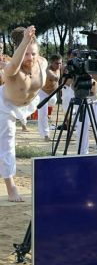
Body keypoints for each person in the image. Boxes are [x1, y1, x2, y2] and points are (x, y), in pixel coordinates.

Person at [0, 26, 48, 201]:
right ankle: (11, 187)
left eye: (33, 54)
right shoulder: (10, 68)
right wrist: (26, 40)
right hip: (5, 106)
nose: (30, 58)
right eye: (26, 54)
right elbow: (13, 66)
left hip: (29, 106)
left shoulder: (42, 62)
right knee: (7, 144)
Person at [37, 54, 62, 141]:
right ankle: (45, 135)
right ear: (51, 63)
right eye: (56, 63)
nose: (58, 65)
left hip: (53, 95)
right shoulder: (48, 70)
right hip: (43, 93)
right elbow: (53, 77)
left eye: (60, 63)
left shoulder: (60, 68)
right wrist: (57, 77)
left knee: (52, 103)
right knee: (43, 114)